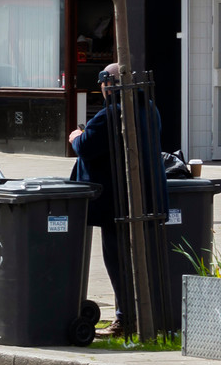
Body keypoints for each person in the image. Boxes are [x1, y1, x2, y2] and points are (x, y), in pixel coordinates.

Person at [70, 63, 167, 339]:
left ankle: (126, 319)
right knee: (137, 260)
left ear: (107, 84)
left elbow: (87, 146)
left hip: (116, 203)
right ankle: (139, 317)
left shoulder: (111, 112)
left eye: (102, 83)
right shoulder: (149, 108)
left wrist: (78, 136)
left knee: (117, 261)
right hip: (147, 199)